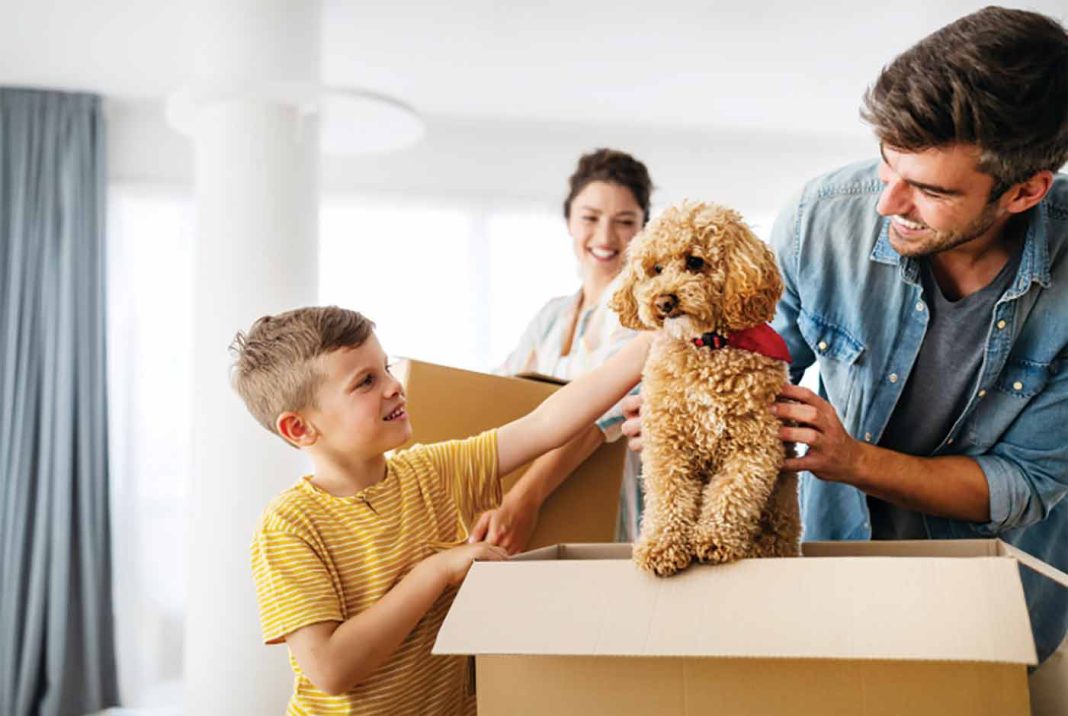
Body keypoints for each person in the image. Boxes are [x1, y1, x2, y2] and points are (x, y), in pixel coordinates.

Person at [623, 6, 1067, 709]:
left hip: (987, 601)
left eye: (929, 189)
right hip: (831, 565)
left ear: (1026, 191)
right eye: (888, 162)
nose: (887, 202)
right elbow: (748, 344)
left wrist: (852, 460)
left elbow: (1025, 482)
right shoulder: (825, 215)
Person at [232, 306, 650, 714]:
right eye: (365, 382)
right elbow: (331, 668)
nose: (394, 386)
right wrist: (437, 570)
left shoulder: (432, 471)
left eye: (387, 368)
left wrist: (651, 342)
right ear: (299, 428)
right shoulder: (289, 526)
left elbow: (545, 425)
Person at [473, 148, 654, 551]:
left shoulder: (647, 314)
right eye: (590, 218)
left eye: (625, 222)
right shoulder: (552, 315)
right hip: (554, 519)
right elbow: (498, 389)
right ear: (569, 220)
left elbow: (601, 412)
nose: (606, 238)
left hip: (616, 517)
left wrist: (525, 498)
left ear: (645, 230)